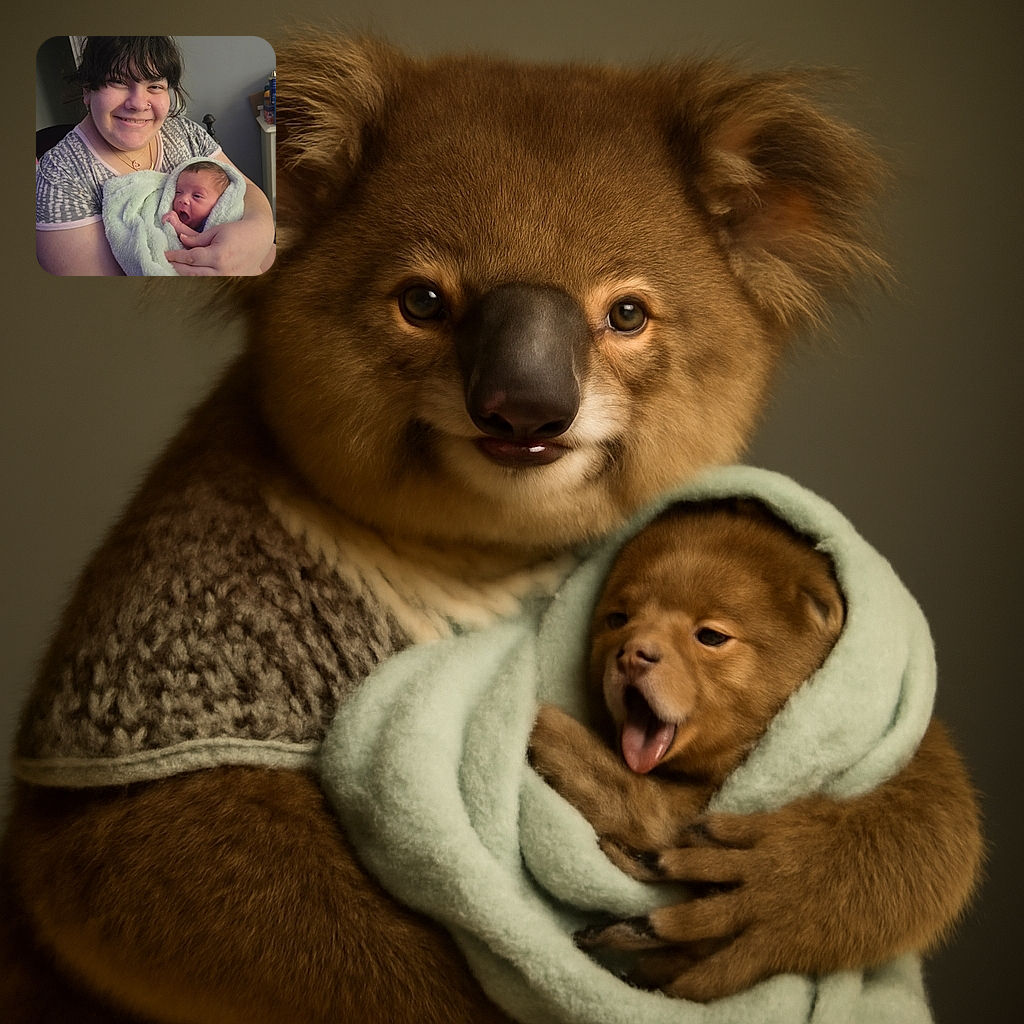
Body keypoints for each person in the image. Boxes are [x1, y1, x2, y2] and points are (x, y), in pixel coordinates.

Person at [36, 36, 274, 276]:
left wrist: (258, 232)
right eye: (118, 82)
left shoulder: (185, 133)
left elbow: (243, 188)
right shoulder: (59, 177)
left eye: (155, 86)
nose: (139, 103)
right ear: (88, 91)